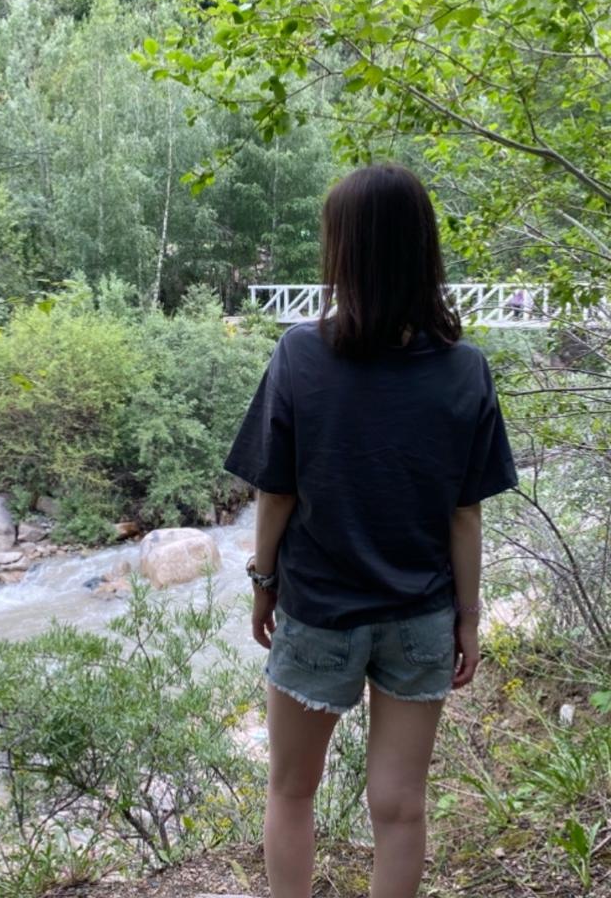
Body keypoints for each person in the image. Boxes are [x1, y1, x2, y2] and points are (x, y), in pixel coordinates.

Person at [224, 163, 518, 898]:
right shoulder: (466, 369)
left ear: (342, 250)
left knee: (292, 790)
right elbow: (464, 512)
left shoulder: (301, 355)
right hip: (421, 614)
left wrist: (264, 582)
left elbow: (276, 492)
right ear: (424, 248)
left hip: (320, 609)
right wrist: (468, 618)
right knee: (400, 806)